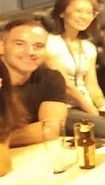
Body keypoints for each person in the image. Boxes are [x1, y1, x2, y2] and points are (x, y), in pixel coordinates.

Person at [44, 0, 105, 138]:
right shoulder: (50, 44)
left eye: (89, 12)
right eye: (79, 11)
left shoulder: (88, 47)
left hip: (86, 107)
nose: (84, 16)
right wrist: (94, 112)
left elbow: (92, 85)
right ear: (62, 13)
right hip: (64, 109)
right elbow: (68, 87)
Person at [1, 17, 68, 147]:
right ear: (2, 46)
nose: (30, 52)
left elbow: (51, 129)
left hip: (33, 151)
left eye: (38, 46)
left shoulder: (50, 78)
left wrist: (4, 137)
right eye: (19, 44)